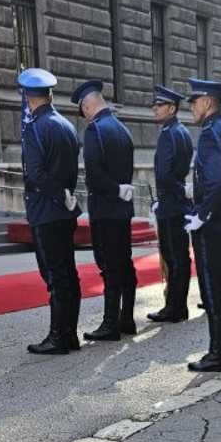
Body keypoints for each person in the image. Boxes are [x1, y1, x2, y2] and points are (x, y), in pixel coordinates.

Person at [18, 67, 82, 357]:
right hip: (64, 210)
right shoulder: (66, 125)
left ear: (28, 98)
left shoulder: (35, 129)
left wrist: (56, 194)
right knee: (67, 273)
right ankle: (69, 334)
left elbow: (35, 174)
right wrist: (65, 195)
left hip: (46, 211)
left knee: (55, 276)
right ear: (49, 94)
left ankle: (58, 337)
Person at [184, 77, 221, 372]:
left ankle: (219, 354)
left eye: (194, 101)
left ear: (208, 102)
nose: (191, 107)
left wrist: (202, 214)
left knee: (214, 291)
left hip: (216, 225)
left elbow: (217, 182)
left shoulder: (210, 134)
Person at [71, 78, 137, 342]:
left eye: (83, 110)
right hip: (122, 211)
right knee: (125, 264)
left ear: (88, 107)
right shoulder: (123, 129)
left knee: (109, 267)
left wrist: (112, 190)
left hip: (106, 210)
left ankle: (111, 323)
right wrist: (121, 190)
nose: (85, 116)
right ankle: (127, 318)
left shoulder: (95, 131)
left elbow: (95, 177)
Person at [147, 84, 193, 324]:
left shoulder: (169, 134)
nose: (155, 108)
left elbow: (165, 175)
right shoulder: (182, 131)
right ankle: (177, 305)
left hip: (171, 204)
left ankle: (174, 307)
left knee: (173, 258)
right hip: (177, 203)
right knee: (179, 257)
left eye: (159, 105)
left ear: (172, 108)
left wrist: (176, 192)